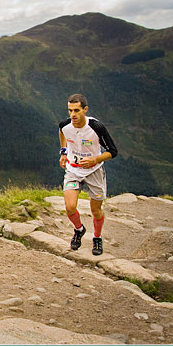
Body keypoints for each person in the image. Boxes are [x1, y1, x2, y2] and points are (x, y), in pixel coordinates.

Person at [58, 94, 118, 255]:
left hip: (94, 171)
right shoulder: (65, 125)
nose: (73, 115)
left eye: (76, 110)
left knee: (96, 210)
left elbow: (113, 151)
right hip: (73, 169)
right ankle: (79, 230)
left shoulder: (96, 127)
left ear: (85, 110)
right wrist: (63, 152)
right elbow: (62, 132)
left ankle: (97, 238)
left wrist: (95, 159)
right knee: (70, 207)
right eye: (70, 110)